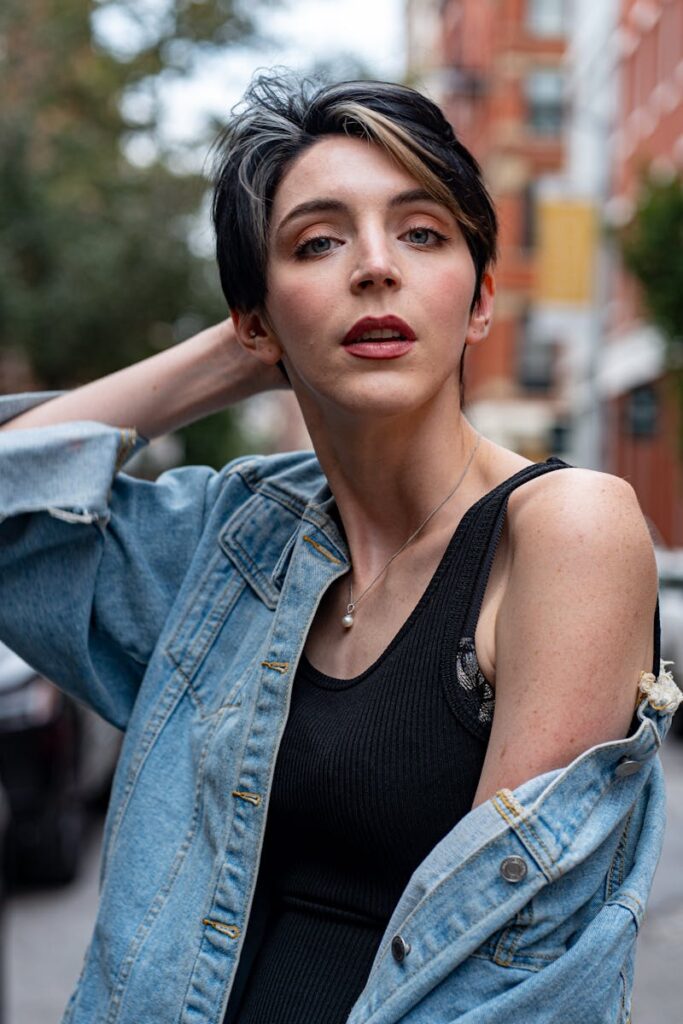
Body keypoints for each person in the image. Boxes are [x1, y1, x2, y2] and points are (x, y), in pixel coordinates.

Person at [0, 71, 680, 1024]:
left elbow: (506, 979)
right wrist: (239, 352)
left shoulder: (565, 528)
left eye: (421, 234)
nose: (374, 267)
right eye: (317, 242)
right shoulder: (238, 550)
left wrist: (292, 307)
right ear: (251, 321)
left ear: (480, 301)